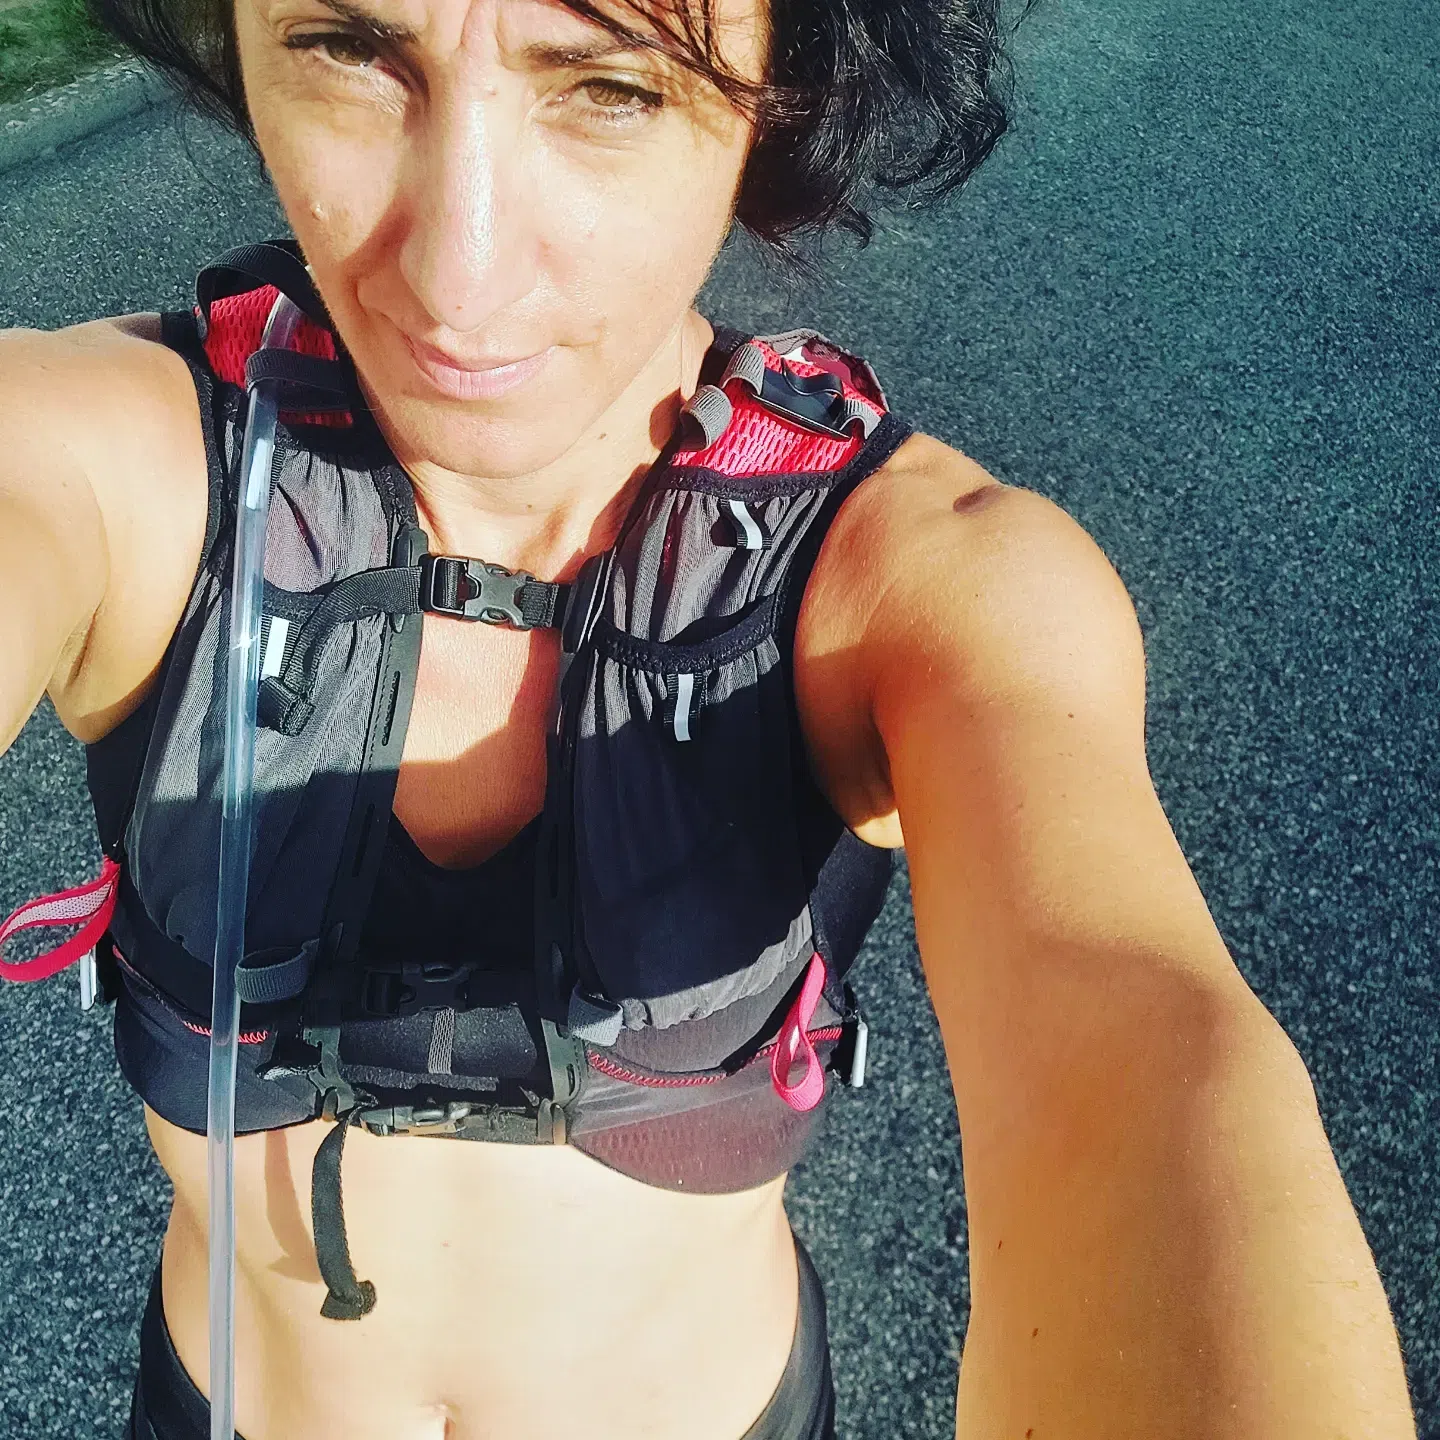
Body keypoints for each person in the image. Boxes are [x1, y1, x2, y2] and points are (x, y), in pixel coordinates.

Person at [0, 0, 1418, 1435]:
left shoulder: (920, 580)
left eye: (611, 88)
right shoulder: (107, 459)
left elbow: (1142, 1056)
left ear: (777, 85)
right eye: (354, 53)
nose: (456, 278)